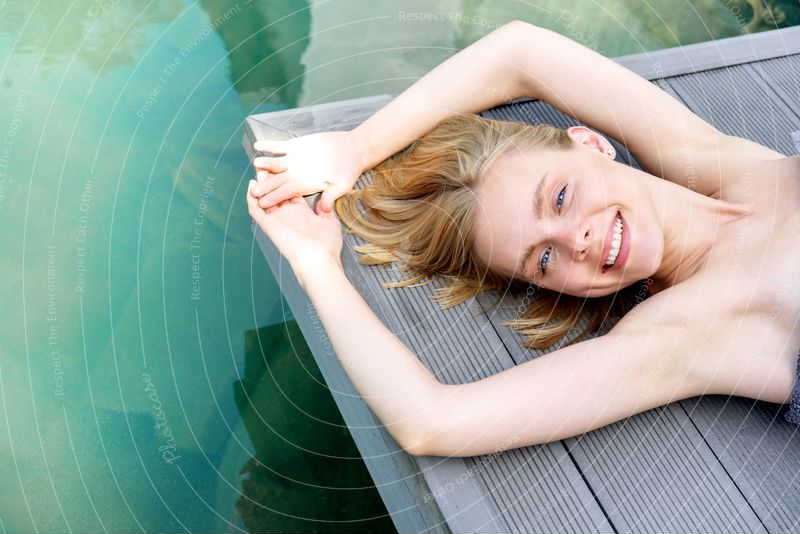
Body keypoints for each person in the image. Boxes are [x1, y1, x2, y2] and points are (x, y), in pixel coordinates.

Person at [245, 21, 800, 458]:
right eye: (544, 259)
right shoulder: (687, 332)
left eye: (559, 197)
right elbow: (429, 422)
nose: (573, 240)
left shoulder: (714, 160)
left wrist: (359, 147)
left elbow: (520, 52)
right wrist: (316, 267)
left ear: (589, 143)